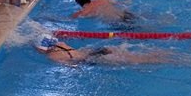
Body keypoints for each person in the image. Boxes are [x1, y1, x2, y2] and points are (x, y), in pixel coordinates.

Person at [35, 37, 171, 65]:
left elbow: (72, 66)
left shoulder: (52, 57)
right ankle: (158, 55)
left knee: (133, 61)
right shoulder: (60, 44)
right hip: (96, 50)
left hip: (92, 58)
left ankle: (157, 59)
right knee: (132, 56)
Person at [72, 0, 136, 24]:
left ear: (77, 1)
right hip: (125, 14)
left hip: (117, 22)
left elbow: (69, 19)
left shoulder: (84, 13)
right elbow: (118, 2)